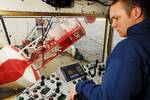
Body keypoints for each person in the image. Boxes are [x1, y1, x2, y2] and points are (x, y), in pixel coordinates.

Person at [70, 0, 150, 100]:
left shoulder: (128, 48)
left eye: (116, 18)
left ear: (136, 13)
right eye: (112, 20)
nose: (113, 25)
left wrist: (80, 87)